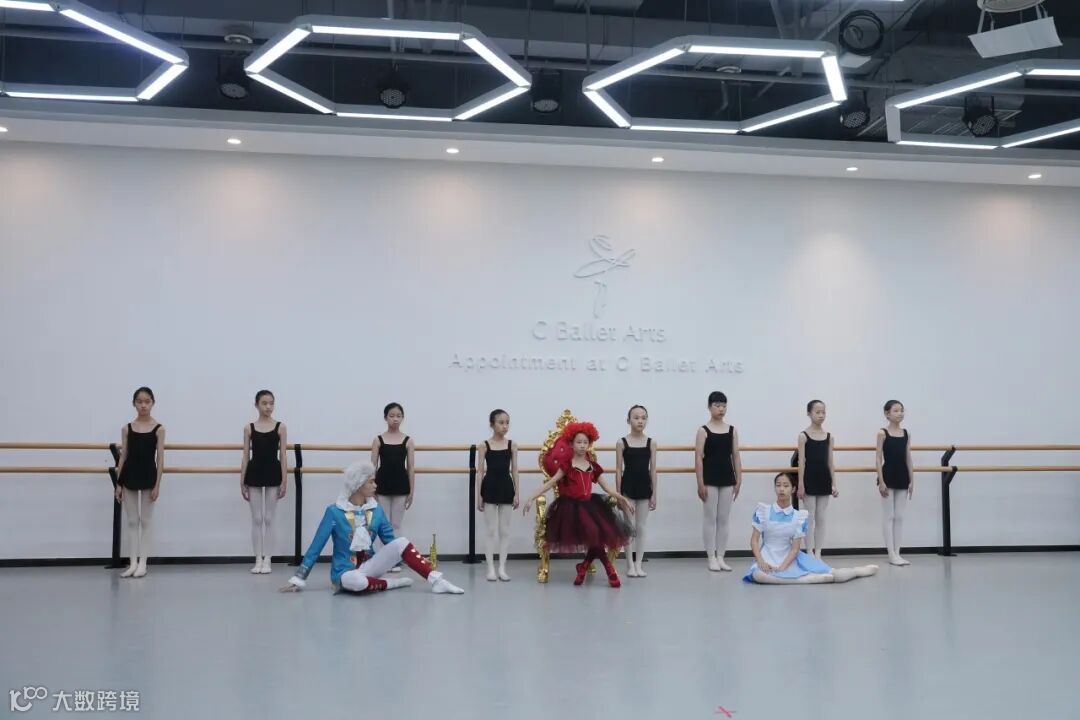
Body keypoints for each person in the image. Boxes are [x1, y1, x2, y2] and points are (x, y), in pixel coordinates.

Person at [281, 461, 464, 595]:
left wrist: (418, 560)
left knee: (402, 541)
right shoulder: (334, 512)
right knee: (356, 581)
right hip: (344, 573)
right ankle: (391, 584)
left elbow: (392, 542)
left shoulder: (376, 510)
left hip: (369, 566)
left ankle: (437, 581)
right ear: (358, 485)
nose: (375, 485)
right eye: (371, 482)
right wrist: (299, 578)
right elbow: (316, 546)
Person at [523, 421, 633, 587]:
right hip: (570, 509)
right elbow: (551, 482)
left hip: (590, 506)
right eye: (579, 442)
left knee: (597, 534)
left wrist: (622, 498)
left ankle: (584, 566)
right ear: (571, 444)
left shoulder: (592, 466)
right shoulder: (567, 465)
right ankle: (609, 569)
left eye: (585, 442)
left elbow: (607, 488)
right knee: (594, 532)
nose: (582, 445)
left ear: (589, 444)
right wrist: (531, 497)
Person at [745, 473, 878, 585]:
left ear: (793, 489)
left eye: (786, 486)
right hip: (767, 555)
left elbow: (795, 549)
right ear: (774, 488)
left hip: (789, 557)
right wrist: (761, 561)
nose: (781, 489)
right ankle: (808, 580)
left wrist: (783, 567)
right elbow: (754, 541)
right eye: (778, 485)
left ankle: (857, 571)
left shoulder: (798, 517)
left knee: (835, 575)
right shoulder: (763, 511)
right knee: (758, 575)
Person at [114, 386, 164, 579]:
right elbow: (123, 455)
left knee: (146, 521)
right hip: (129, 476)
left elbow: (160, 458)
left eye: (147, 401)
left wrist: (158, 484)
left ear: (153, 403)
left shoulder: (159, 429)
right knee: (132, 521)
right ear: (134, 404)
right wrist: (118, 483)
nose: (143, 405)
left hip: (149, 476)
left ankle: (143, 563)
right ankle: (133, 563)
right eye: (139, 402)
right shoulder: (127, 428)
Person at [241, 390, 287, 574]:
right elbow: (245, 456)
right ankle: (257, 559)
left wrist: (284, 480)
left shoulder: (280, 427)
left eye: (271, 403)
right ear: (256, 405)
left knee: (268, 518)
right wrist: (242, 480)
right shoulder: (249, 428)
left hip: (273, 472)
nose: (268, 407)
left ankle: (267, 559)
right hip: (254, 473)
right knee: (257, 518)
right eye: (264, 403)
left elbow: (283, 455)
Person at [695, 391, 742, 571]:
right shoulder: (703, 430)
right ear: (709, 407)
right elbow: (698, 457)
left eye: (724, 406)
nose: (721, 409)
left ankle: (721, 556)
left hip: (727, 477)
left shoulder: (732, 430)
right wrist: (700, 483)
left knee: (724, 518)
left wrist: (739, 478)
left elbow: (736, 455)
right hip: (710, 477)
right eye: (717, 405)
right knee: (710, 518)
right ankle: (711, 557)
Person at [476, 409, 519, 581]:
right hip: (490, 486)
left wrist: (517, 493)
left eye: (507, 422)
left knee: (505, 530)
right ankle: (490, 568)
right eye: (501, 422)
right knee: (491, 530)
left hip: (506, 486)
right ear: (492, 424)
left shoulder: (512, 445)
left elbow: (515, 470)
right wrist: (479, 495)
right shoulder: (484, 445)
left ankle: (502, 567)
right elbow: (480, 471)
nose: (505, 426)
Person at [616, 405, 657, 578]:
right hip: (628, 487)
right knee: (629, 526)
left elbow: (653, 469)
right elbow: (619, 469)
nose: (640, 421)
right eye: (636, 417)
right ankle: (630, 565)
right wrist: (619, 495)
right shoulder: (622, 442)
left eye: (643, 417)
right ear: (628, 420)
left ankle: (639, 563)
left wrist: (654, 493)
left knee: (641, 527)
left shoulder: (651, 442)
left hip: (644, 487)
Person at [796, 399, 838, 561]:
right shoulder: (803, 436)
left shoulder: (829, 436)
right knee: (809, 517)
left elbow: (830, 462)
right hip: (809, 478)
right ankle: (809, 551)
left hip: (824, 478)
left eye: (823, 412)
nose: (821, 415)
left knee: (821, 517)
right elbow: (801, 461)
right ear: (809, 413)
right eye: (817, 412)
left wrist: (834, 483)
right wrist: (801, 484)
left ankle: (818, 552)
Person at [877, 400, 915, 566]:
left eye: (902, 410)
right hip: (888, 475)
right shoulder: (882, 433)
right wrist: (881, 480)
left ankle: (898, 552)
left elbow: (908, 457)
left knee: (899, 516)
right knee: (889, 516)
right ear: (887, 414)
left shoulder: (906, 434)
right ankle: (891, 553)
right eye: (896, 411)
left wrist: (912, 479)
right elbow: (878, 458)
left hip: (902, 476)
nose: (900, 413)